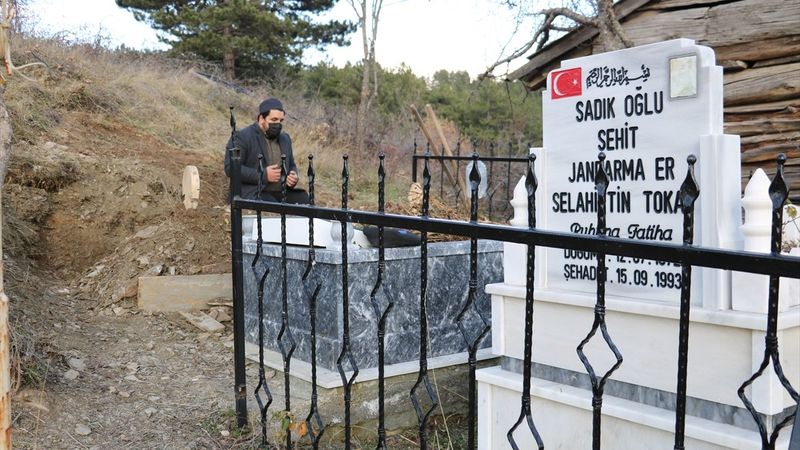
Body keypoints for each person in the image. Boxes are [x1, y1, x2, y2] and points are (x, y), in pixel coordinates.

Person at [224, 98, 310, 204]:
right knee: (273, 207)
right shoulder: (242, 136)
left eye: (281, 121)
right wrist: (263, 175)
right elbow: (230, 168)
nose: (278, 124)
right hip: (253, 192)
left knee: (306, 202)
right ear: (261, 119)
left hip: (281, 192)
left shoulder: (285, 139)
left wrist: (293, 176)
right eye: (274, 120)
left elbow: (291, 164)